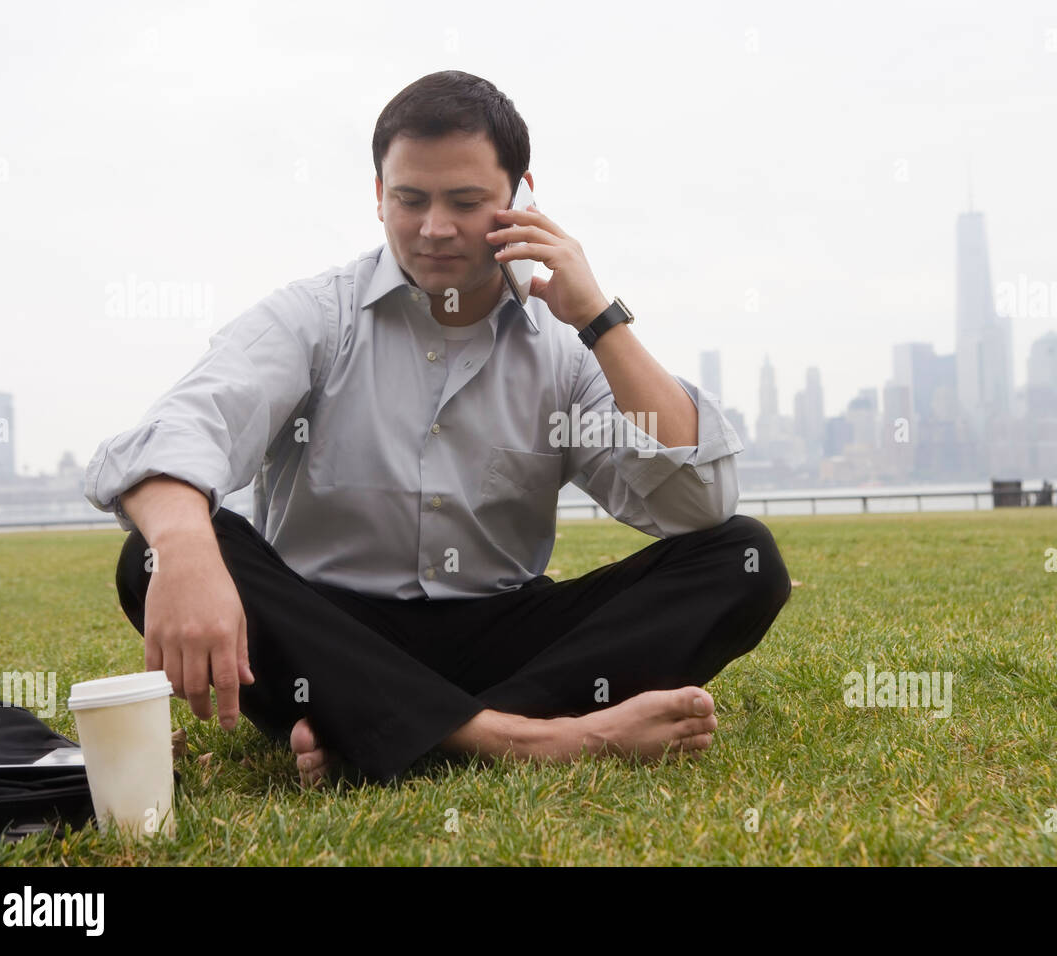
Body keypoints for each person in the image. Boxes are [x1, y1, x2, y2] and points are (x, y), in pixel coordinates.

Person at [85, 70, 792, 788]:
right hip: (330, 637)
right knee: (151, 555)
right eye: (410, 200)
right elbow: (178, 431)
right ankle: (527, 739)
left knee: (744, 559)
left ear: (522, 197)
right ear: (378, 195)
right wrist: (185, 549)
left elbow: (698, 503)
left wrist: (598, 318)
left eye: (466, 201)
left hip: (501, 634)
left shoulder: (560, 347)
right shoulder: (316, 317)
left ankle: (388, 734)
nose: (435, 229)